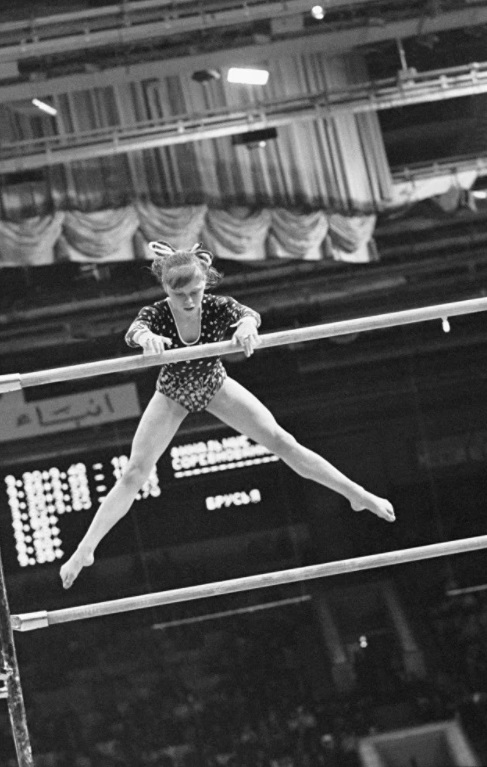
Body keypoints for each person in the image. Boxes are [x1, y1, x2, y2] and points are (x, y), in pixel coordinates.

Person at [60, 241, 395, 589]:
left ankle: (355, 494)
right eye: (179, 295)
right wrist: (147, 339)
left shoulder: (217, 306)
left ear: (205, 284)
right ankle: (86, 549)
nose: (189, 301)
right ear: (165, 289)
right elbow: (134, 332)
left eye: (195, 292)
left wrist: (246, 327)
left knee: (283, 441)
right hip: (171, 394)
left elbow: (249, 315)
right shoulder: (156, 313)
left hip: (216, 385)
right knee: (134, 473)